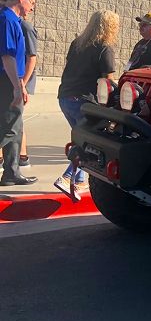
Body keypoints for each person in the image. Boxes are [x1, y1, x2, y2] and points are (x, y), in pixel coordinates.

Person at [55, 11, 119, 196]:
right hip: (85, 101)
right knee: (90, 143)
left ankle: (81, 180)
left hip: (65, 97)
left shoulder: (77, 43)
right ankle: (68, 178)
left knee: (82, 140)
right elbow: (107, 81)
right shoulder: (104, 48)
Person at [0, 0, 37, 185]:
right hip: (7, 81)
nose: (32, 7)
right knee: (10, 128)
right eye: (31, 2)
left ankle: (11, 173)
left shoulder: (15, 20)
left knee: (16, 127)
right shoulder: (6, 19)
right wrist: (18, 86)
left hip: (12, 79)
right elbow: (8, 57)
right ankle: (11, 172)